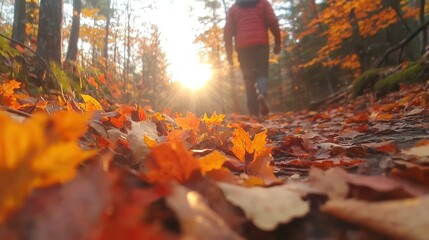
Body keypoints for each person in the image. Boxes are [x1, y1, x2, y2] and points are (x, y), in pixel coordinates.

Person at [224, 0, 281, 117]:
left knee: (248, 78)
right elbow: (272, 20)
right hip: (261, 43)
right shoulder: (263, 3)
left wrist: (229, 53)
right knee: (262, 72)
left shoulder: (234, 7)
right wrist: (278, 42)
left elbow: (228, 30)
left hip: (243, 46)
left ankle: (253, 112)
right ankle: (262, 94)